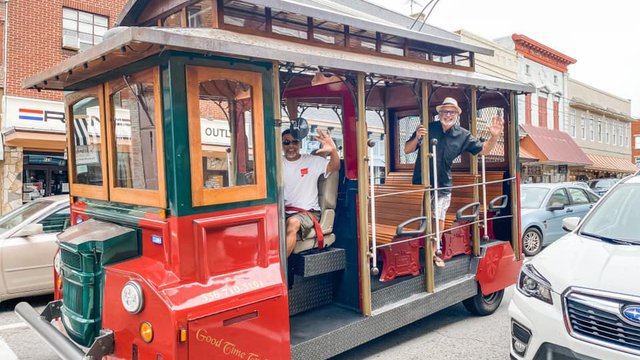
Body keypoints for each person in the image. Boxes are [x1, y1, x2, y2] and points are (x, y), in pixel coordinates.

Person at [404, 97, 503, 267]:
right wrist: (417, 138)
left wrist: (494, 136)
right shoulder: (427, 128)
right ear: (439, 113)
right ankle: (418, 253)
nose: (448, 115)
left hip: (443, 184)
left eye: (452, 112)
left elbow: (484, 150)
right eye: (445, 111)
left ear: (457, 115)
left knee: (439, 217)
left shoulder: (463, 135)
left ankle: (434, 251)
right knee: (422, 219)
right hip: (421, 182)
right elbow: (407, 149)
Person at [283, 128, 340, 256]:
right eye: (286, 142)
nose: (291, 146)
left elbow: (335, 166)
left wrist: (333, 151)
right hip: (284, 211)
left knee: (292, 223)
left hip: (308, 212)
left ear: (300, 144)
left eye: (295, 142)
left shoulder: (312, 161)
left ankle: (279, 269)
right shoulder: (277, 163)